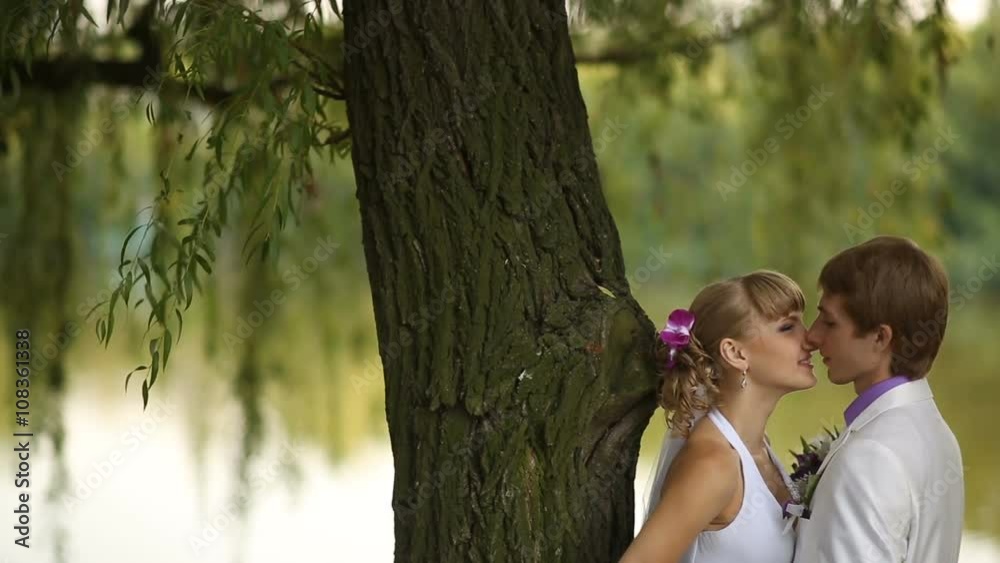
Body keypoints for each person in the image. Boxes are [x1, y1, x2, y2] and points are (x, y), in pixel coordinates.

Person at [620, 270, 816, 563]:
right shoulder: (713, 464)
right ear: (735, 353)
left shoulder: (758, 449)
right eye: (787, 327)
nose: (810, 338)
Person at [794, 236, 965, 563]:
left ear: (880, 337)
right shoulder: (938, 434)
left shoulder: (870, 457)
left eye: (829, 322)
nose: (812, 336)